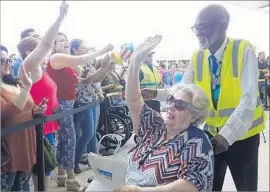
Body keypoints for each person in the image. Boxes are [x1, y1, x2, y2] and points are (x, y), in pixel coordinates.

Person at [144, 4, 266, 191]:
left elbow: (248, 99)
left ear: (223, 26)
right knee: (208, 185)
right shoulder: (198, 56)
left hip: (243, 137)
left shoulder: (242, 49)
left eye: (204, 26)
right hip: (210, 135)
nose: (198, 32)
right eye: (196, 27)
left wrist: (226, 135)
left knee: (246, 187)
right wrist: (156, 94)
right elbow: (182, 90)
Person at [114, 35, 213, 192]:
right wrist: (134, 64)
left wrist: (139, 191)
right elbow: (133, 101)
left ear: (194, 115)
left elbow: (191, 186)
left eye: (180, 104)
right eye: (171, 100)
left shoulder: (196, 141)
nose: (172, 106)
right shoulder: (156, 126)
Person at [47, 32, 113, 191]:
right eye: (61, 40)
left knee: (65, 140)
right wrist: (102, 50)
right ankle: (70, 177)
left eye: (66, 39)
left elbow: (85, 81)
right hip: (61, 104)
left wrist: (104, 66)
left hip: (69, 104)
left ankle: (62, 173)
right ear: (53, 45)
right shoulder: (56, 58)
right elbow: (81, 59)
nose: (65, 42)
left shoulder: (68, 64)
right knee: (70, 139)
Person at [16, 2, 68, 191]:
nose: (45, 51)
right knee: (39, 169)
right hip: (37, 126)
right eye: (38, 48)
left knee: (42, 170)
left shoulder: (39, 68)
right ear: (29, 53)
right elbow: (47, 44)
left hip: (45, 123)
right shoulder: (28, 65)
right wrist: (60, 18)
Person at [1, 45, 47, 191]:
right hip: (8, 148)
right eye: (2, 60)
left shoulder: (16, 83)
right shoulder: (22, 85)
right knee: (8, 186)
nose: (8, 63)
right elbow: (6, 114)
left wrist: (38, 110)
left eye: (8, 59)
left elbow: (30, 106)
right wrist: (27, 88)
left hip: (26, 141)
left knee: (23, 185)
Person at [69, 39, 109, 174]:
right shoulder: (73, 64)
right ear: (75, 49)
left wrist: (104, 67)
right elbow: (86, 81)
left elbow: (97, 80)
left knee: (91, 134)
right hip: (82, 103)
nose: (86, 49)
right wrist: (102, 68)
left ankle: (94, 160)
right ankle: (74, 161)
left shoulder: (87, 63)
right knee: (87, 133)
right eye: (83, 47)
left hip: (93, 100)